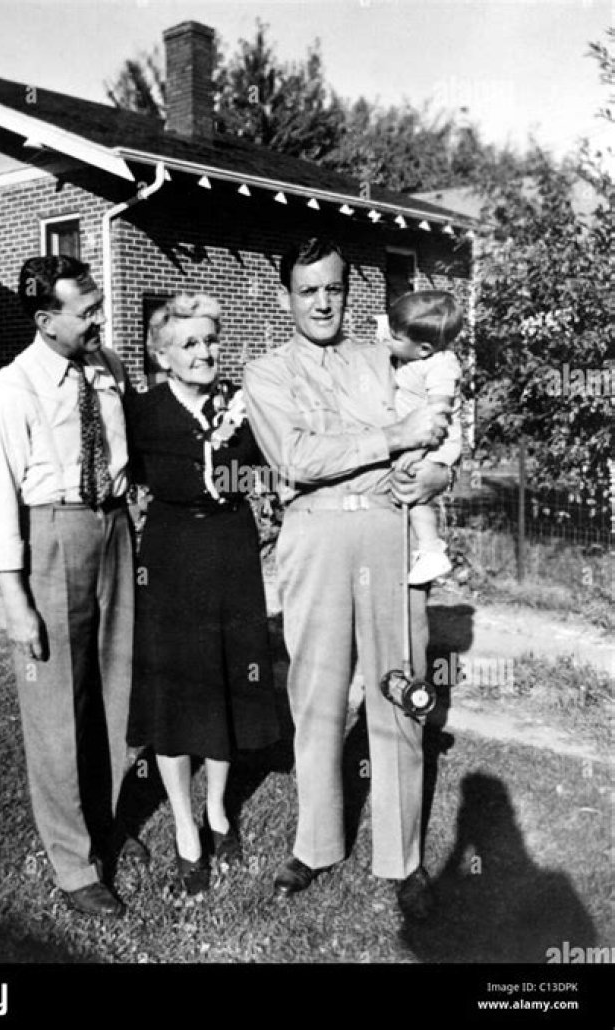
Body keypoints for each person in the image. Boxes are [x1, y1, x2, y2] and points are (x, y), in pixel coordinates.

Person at [243, 237, 456, 919]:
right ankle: (315, 843)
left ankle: (401, 856)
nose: (322, 302)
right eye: (308, 290)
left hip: (390, 530)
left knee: (402, 689)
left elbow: (439, 417)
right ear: (286, 296)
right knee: (318, 694)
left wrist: (439, 471)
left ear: (348, 292)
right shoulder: (266, 372)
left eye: (333, 288)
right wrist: (393, 438)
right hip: (316, 533)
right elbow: (297, 457)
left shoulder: (381, 358)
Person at [0, 255, 135, 917]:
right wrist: (16, 600)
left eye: (98, 306)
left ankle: (103, 825)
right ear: (46, 320)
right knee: (56, 705)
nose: (100, 320)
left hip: (115, 529)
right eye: (86, 312)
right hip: (52, 536)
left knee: (115, 686)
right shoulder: (9, 391)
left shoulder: (107, 367)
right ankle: (73, 865)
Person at [125, 292, 280, 896]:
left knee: (223, 677)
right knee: (176, 687)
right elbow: (127, 474)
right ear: (162, 356)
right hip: (171, 555)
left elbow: (264, 472)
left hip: (231, 550)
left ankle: (216, 808)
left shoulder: (241, 405)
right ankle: (185, 828)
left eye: (211, 340)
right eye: (189, 343)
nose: (204, 352)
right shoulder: (143, 412)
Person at [379, 290, 464, 585]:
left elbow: (439, 414)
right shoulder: (411, 354)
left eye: (394, 337)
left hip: (434, 441)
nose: (386, 340)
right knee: (410, 493)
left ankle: (431, 550)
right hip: (418, 439)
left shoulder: (441, 366)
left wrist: (418, 451)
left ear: (424, 349)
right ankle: (426, 548)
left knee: (415, 493)